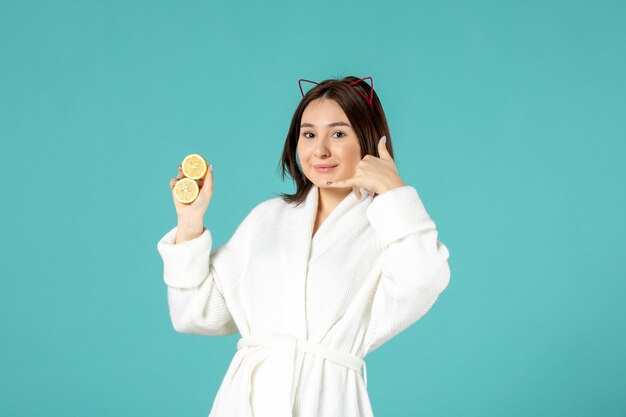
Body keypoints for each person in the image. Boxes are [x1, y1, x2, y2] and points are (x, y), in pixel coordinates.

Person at [156, 75, 451, 417]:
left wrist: (394, 192)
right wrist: (190, 222)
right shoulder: (267, 219)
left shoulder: (387, 225)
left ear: (367, 138)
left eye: (338, 133)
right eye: (309, 134)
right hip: (246, 401)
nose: (320, 150)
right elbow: (194, 314)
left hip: (327, 401)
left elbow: (423, 280)